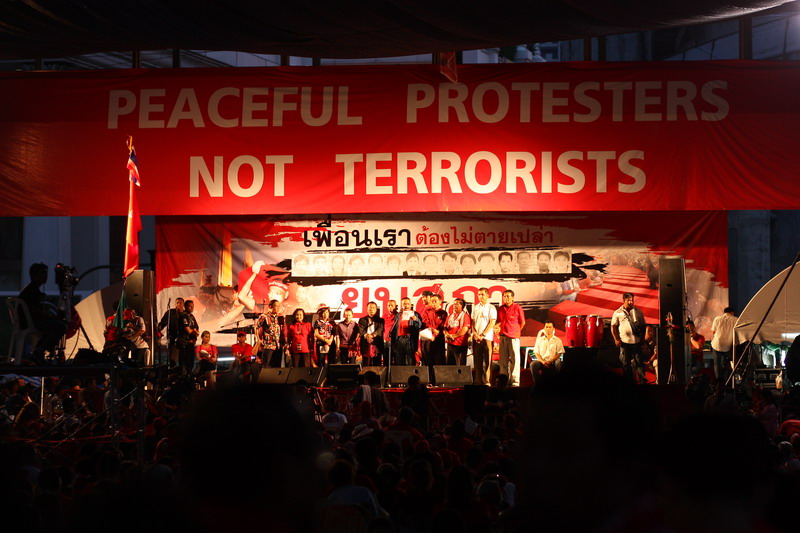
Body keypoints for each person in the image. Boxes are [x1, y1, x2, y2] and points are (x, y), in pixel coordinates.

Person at [17, 262, 68, 361]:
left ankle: (39, 350)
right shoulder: (32, 291)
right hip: (29, 323)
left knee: (53, 326)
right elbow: (36, 313)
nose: (46, 276)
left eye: (46, 273)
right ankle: (40, 351)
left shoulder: (32, 289)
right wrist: (50, 317)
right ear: (35, 275)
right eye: (43, 273)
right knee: (61, 326)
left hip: (28, 321)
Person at [610, 292, 647, 383]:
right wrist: (616, 339)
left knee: (639, 362)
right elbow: (613, 327)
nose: (631, 302)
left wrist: (642, 338)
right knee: (626, 363)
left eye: (632, 300)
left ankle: (642, 380)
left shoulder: (638, 312)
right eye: (628, 300)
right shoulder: (618, 312)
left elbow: (643, 326)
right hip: (624, 342)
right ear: (624, 300)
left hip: (637, 342)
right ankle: (629, 381)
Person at [497, 290, 525, 385]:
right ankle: (503, 381)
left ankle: (515, 382)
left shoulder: (517, 308)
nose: (506, 298)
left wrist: (515, 331)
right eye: (504, 296)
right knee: (503, 361)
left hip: (514, 338)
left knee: (515, 360)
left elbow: (522, 322)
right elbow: (498, 322)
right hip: (503, 337)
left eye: (508, 296)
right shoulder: (500, 309)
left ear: (513, 297)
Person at [471, 287, 497, 385]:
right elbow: (472, 322)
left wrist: (482, 334)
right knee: (477, 361)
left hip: (487, 338)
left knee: (487, 361)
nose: (480, 296)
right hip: (476, 338)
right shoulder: (475, 307)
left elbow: (492, 323)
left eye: (482, 294)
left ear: (487, 295)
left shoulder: (491, 308)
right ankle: (478, 381)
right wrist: (475, 334)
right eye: (479, 294)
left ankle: (487, 381)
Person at [531, 320, 564, 384]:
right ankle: (538, 384)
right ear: (544, 328)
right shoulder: (539, 340)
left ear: (553, 329)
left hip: (553, 360)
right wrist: (543, 361)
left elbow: (559, 353)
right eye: (546, 327)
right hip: (542, 361)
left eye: (550, 327)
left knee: (560, 363)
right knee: (533, 364)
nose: (548, 329)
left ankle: (559, 382)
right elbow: (536, 352)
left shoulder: (557, 340)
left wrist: (551, 360)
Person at [711, 307, 736, 386]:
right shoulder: (735, 319)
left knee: (717, 364)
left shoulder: (717, 319)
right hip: (727, 345)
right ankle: (725, 381)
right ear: (732, 312)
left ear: (724, 312)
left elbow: (713, 331)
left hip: (716, 344)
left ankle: (719, 382)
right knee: (725, 363)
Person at [420, 294, 447, 366]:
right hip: (428, 338)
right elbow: (425, 322)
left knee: (438, 361)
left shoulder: (443, 313)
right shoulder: (427, 311)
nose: (434, 303)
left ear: (440, 301)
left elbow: (443, 325)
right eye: (432, 301)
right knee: (427, 361)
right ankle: (428, 377)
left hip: (438, 339)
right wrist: (432, 330)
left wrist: (435, 334)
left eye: (435, 301)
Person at [157, 297, 184, 368]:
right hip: (173, 340)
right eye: (177, 303)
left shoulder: (185, 314)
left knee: (183, 361)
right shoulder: (170, 313)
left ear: (183, 304)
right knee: (172, 360)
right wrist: (158, 329)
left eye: (180, 303)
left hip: (183, 341)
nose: (178, 304)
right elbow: (163, 323)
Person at [256, 299, 284, 368]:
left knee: (277, 366)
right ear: (271, 306)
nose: (278, 308)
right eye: (276, 306)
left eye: (279, 306)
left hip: (278, 345)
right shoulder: (264, 316)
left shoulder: (280, 317)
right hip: (268, 344)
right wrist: (258, 340)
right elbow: (256, 327)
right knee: (266, 365)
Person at [395, 297, 422, 366]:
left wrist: (416, 319)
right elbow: (395, 327)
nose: (406, 305)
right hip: (399, 339)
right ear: (401, 305)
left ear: (410, 305)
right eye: (404, 304)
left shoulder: (415, 314)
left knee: (411, 360)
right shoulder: (398, 315)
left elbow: (420, 326)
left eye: (408, 304)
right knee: (400, 361)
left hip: (410, 339)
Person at [444, 298, 471, 365]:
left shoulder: (465, 316)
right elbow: (445, 328)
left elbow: (464, 329)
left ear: (462, 306)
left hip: (460, 345)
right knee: (449, 366)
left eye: (457, 304)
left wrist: (453, 336)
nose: (454, 306)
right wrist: (447, 334)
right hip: (450, 344)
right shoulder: (450, 316)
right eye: (454, 304)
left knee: (459, 366)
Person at [177, 299, 200, 375]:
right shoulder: (183, 316)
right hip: (184, 343)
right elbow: (188, 330)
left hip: (191, 343)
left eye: (193, 307)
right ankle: (183, 379)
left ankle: (189, 377)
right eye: (190, 307)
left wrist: (195, 331)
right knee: (184, 363)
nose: (192, 308)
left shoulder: (192, 316)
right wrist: (194, 331)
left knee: (190, 363)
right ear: (185, 306)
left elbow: (196, 329)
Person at [359, 301, 385, 365]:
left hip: (376, 343)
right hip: (365, 343)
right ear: (367, 309)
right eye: (370, 308)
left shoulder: (380, 320)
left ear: (376, 309)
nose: (371, 309)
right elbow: (361, 330)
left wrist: (372, 335)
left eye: (373, 308)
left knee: (377, 364)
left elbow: (380, 329)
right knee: (365, 363)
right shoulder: (362, 319)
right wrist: (367, 336)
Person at [383, 299, 398, 365]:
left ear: (395, 306)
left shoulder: (398, 316)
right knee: (386, 361)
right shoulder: (384, 316)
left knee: (396, 361)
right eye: (389, 305)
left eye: (392, 305)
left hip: (396, 342)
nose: (390, 307)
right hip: (386, 342)